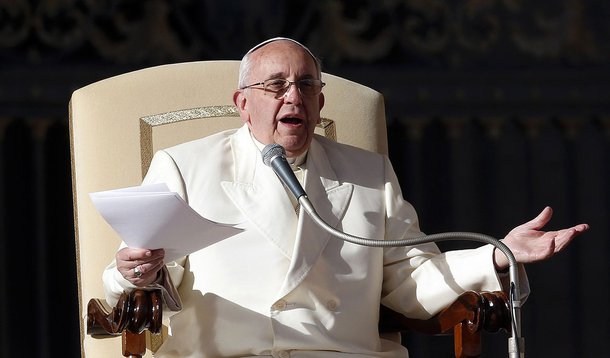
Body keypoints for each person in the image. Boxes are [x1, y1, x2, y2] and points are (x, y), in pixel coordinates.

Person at [103, 37, 589, 357]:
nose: (292, 96)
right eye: (275, 86)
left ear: (320, 103)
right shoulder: (184, 166)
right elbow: (142, 268)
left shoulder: (368, 174)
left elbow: (409, 280)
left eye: (306, 85)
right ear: (243, 105)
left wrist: (497, 256)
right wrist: (136, 272)